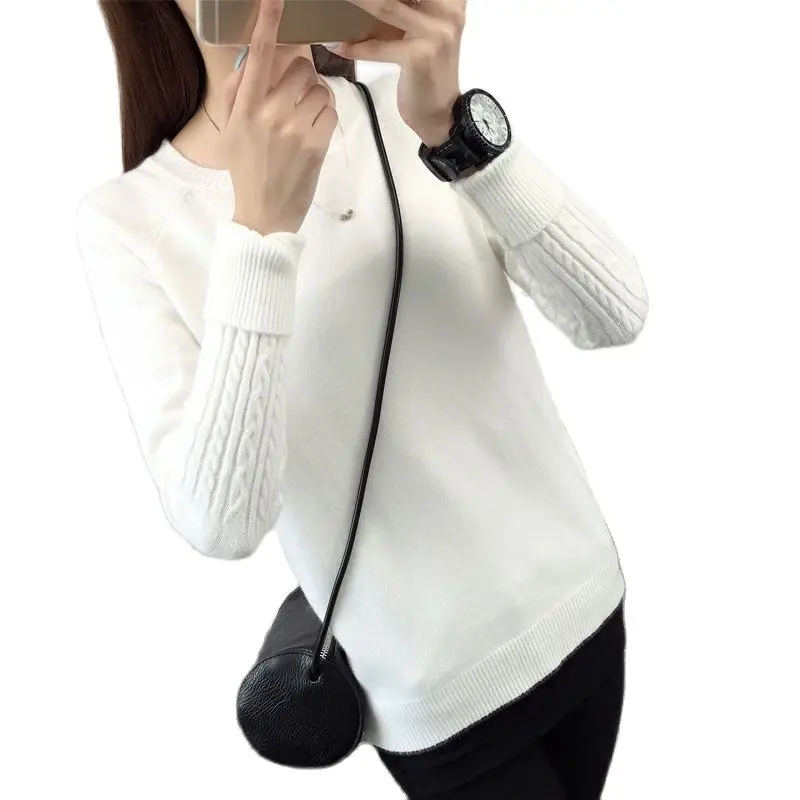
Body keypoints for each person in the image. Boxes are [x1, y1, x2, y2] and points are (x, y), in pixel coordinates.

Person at [76, 0, 649, 797]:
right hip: (438, 703)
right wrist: (260, 232)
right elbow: (221, 523)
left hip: (586, 607)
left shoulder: (408, 107)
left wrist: (456, 132)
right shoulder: (130, 222)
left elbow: (616, 314)